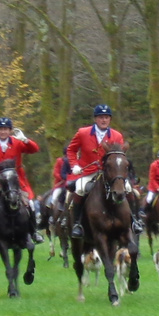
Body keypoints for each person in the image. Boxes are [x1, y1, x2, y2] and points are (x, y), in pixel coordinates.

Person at [63, 102, 132, 237]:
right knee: (80, 188)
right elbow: (71, 150)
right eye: (100, 117)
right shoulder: (83, 133)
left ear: (110, 119)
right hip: (88, 171)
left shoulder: (117, 135)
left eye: (106, 117)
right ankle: (77, 223)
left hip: (110, 173)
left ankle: (134, 220)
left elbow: (119, 155)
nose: (104, 120)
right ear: (95, 119)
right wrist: (74, 165)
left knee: (128, 188)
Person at [0, 117, 42, 245]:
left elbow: (34, 149)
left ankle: (34, 232)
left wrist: (26, 140)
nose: (3, 132)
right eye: (0, 129)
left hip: (15, 182)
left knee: (31, 204)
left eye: (5, 129)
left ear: (10, 130)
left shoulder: (17, 142)